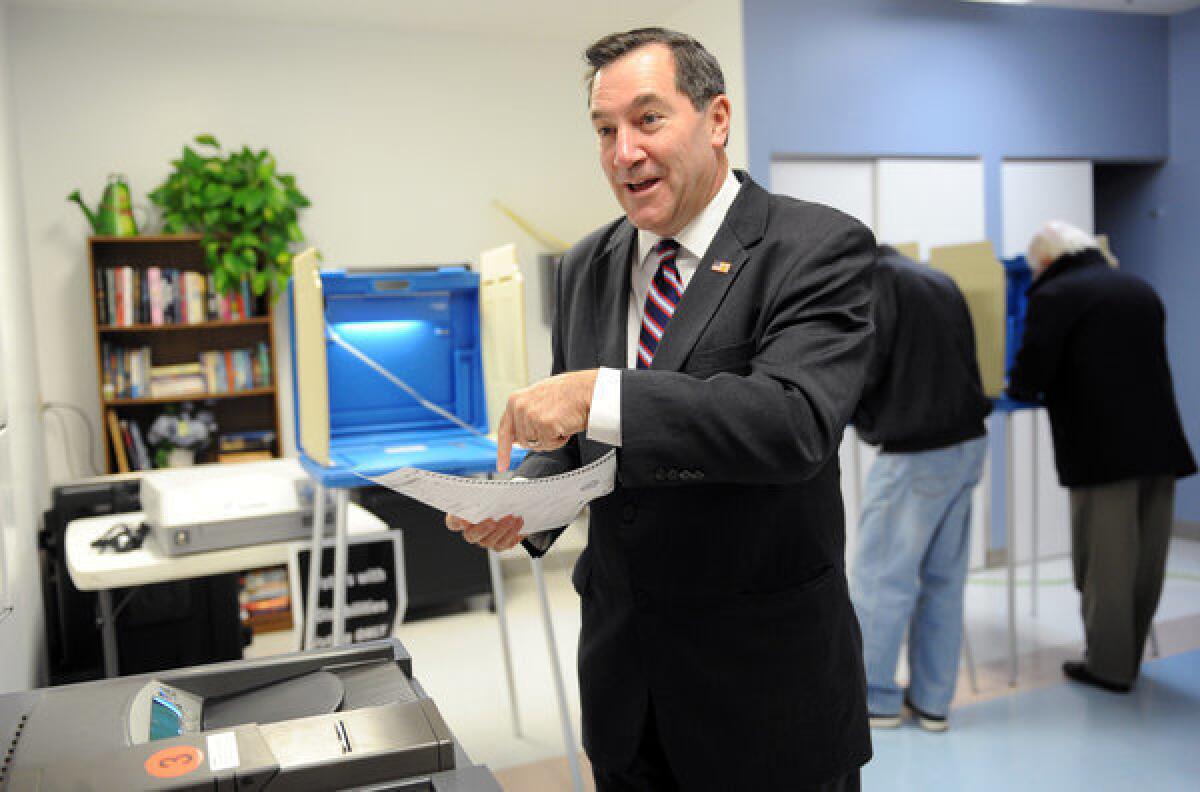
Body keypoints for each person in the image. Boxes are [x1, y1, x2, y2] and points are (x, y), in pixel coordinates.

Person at [444, 27, 876, 791]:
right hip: (625, 688)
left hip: (765, 696)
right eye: (605, 130)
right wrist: (524, 501)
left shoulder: (814, 246)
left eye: (648, 120)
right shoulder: (588, 263)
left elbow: (792, 422)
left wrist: (595, 391)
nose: (623, 152)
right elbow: (578, 441)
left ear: (716, 119)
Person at [1008, 220, 1196, 693]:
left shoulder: (1056, 296)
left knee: (1106, 563)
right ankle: (1129, 655)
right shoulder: (1138, 288)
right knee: (1146, 560)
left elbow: (1032, 373)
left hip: (1102, 450)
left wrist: (1014, 383)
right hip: (1161, 446)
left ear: (1045, 261)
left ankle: (1109, 668)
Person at [847, 245, 991, 733]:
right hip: (967, 442)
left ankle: (877, 698)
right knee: (944, 581)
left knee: (881, 580)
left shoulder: (873, 286)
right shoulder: (938, 279)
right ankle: (933, 701)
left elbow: (865, 365)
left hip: (914, 452)